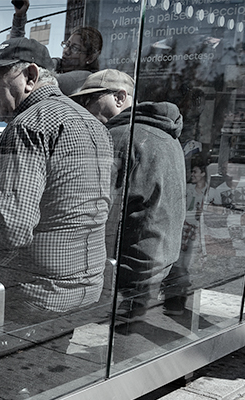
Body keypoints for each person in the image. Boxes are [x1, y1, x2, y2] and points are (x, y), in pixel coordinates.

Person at [0, 37, 112, 323]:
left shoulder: (29, 124)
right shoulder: (92, 122)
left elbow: (11, 226)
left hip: (35, 294)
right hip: (87, 285)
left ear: (31, 76)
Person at [71, 69, 186, 322]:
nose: (85, 107)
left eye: (90, 100)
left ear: (120, 97)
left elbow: (102, 215)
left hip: (127, 273)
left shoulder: (119, 137)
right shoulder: (166, 134)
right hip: (157, 263)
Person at [9, 0, 102, 94]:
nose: (66, 51)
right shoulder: (56, 64)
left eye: (75, 48)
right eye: (67, 45)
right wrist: (19, 17)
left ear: (90, 58)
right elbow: (20, 58)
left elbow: (35, 78)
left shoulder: (85, 78)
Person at [162, 153, 210, 316]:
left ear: (203, 173)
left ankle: (176, 299)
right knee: (178, 264)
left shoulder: (208, 191)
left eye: (195, 172)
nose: (192, 175)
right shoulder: (189, 189)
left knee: (184, 265)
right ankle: (174, 300)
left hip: (195, 233)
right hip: (185, 229)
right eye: (192, 172)